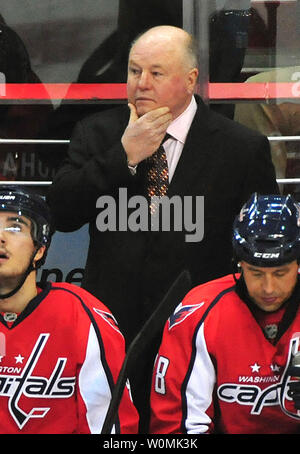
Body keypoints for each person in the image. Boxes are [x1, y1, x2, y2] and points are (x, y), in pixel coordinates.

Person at [47, 25, 278, 431]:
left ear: (190, 79)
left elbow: (257, 242)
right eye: (134, 72)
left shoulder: (241, 147)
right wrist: (123, 156)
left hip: (201, 333)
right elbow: (62, 213)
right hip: (114, 330)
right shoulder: (97, 132)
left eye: (156, 73)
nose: (141, 84)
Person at [150, 192, 300, 434]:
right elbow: (177, 426)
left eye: (280, 273)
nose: (269, 288)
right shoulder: (200, 313)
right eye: (256, 273)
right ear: (238, 263)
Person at [0, 185, 138, 434]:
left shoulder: (81, 315)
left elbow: (111, 427)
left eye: (14, 227)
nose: (0, 237)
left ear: (39, 250)